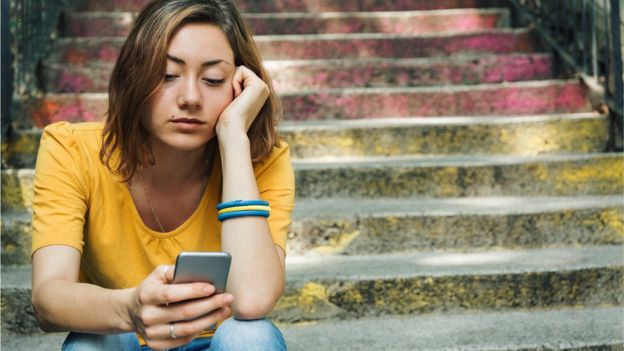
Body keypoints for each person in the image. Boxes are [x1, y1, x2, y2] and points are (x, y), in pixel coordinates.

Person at [30, 0, 295, 350]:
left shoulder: (261, 159)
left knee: (250, 336)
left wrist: (233, 136)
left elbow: (252, 300)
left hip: (216, 342)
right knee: (92, 343)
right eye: (167, 75)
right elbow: (49, 297)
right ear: (133, 76)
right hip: (124, 334)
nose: (189, 98)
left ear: (240, 87)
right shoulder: (71, 149)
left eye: (214, 80)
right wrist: (130, 308)